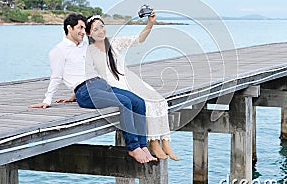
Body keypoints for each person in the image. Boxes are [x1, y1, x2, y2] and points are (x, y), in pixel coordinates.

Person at [29, 13, 156, 164]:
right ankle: (133, 148)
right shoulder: (59, 50)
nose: (83, 31)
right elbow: (56, 77)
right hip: (85, 91)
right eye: (80, 28)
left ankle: (143, 145)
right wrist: (47, 100)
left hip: (100, 84)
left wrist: (149, 23)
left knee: (139, 102)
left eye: (84, 28)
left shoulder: (86, 45)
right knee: (124, 102)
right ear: (69, 28)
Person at [85, 13, 179, 161]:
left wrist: (150, 24)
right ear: (89, 33)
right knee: (145, 102)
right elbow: (87, 75)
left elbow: (138, 39)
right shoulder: (89, 51)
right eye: (96, 29)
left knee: (160, 101)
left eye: (102, 27)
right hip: (113, 84)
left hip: (128, 78)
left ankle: (165, 142)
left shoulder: (114, 42)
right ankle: (154, 142)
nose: (101, 31)